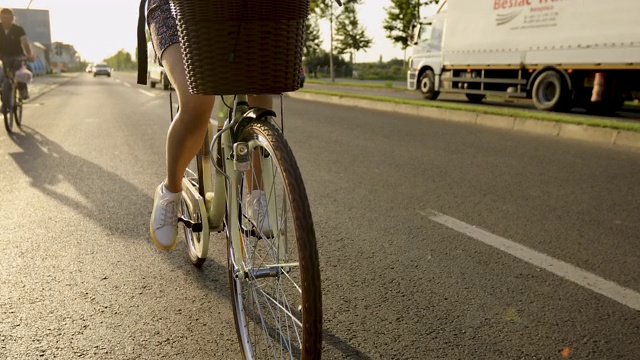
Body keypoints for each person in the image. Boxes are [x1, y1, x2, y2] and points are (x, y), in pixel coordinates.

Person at [142, 0, 273, 251]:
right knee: (196, 99)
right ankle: (170, 191)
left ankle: (257, 195)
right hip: (173, 6)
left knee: (261, 82)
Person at [0, 8, 34, 103]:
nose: (5, 21)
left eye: (8, 18)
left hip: (17, 55)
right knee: (2, 75)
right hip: (2, 55)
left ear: (12, 18)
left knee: (19, 71)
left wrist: (29, 55)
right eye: (3, 18)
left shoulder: (18, 29)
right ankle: (4, 101)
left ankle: (22, 89)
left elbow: (25, 43)